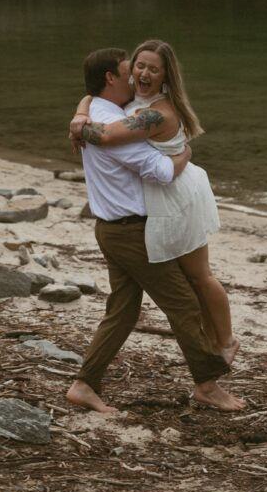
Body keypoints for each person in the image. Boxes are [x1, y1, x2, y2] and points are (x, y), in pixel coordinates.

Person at [66, 47, 243, 413]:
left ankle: (84, 384)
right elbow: (161, 171)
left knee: (123, 312)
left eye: (148, 70)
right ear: (112, 78)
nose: (137, 77)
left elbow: (99, 114)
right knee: (183, 305)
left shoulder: (104, 109)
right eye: (132, 70)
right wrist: (184, 156)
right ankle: (207, 386)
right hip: (131, 233)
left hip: (111, 228)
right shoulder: (116, 127)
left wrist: (82, 110)